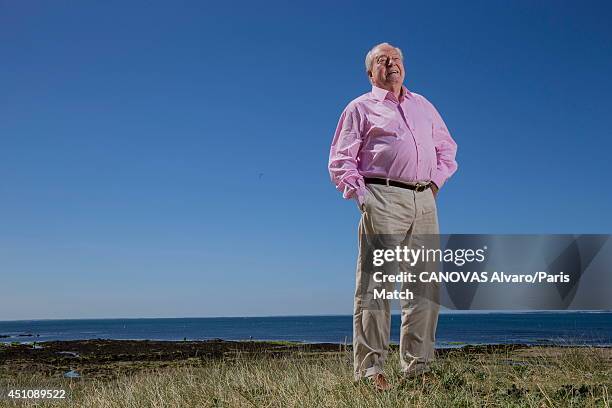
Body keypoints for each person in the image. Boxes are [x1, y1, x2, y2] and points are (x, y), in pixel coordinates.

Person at [328, 42, 458, 391]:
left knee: (424, 288)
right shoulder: (360, 107)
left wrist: (434, 186)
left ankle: (418, 368)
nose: (392, 65)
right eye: (383, 61)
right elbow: (342, 159)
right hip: (381, 195)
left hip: (424, 198)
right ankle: (371, 370)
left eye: (397, 59)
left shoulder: (424, 105)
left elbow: (448, 149)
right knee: (376, 286)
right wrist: (363, 197)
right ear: (371, 72)